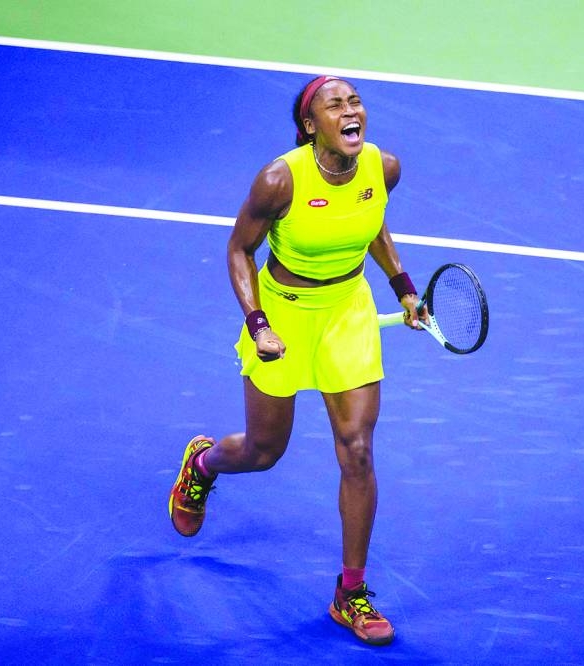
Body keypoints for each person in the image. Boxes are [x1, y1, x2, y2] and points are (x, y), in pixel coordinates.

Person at [167, 75, 421, 647]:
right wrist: (258, 324)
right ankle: (204, 464)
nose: (351, 110)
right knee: (264, 452)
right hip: (281, 314)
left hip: (347, 311)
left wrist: (401, 284)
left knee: (357, 450)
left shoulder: (384, 168)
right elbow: (239, 248)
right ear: (311, 126)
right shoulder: (279, 179)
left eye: (355, 101)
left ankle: (349, 593)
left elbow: (369, 218)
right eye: (336, 105)